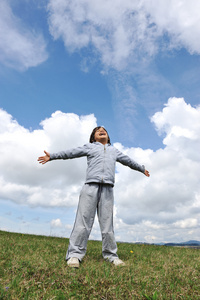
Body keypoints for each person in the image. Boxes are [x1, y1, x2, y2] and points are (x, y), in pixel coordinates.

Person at [38, 126, 150, 268]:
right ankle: (74, 255)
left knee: (107, 224)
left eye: (104, 130)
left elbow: (128, 161)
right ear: (93, 137)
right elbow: (71, 152)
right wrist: (52, 156)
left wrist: (141, 168)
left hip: (108, 189)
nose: (102, 130)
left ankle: (111, 256)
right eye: (98, 130)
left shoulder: (114, 151)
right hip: (90, 187)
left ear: (108, 137)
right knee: (83, 222)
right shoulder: (90, 147)